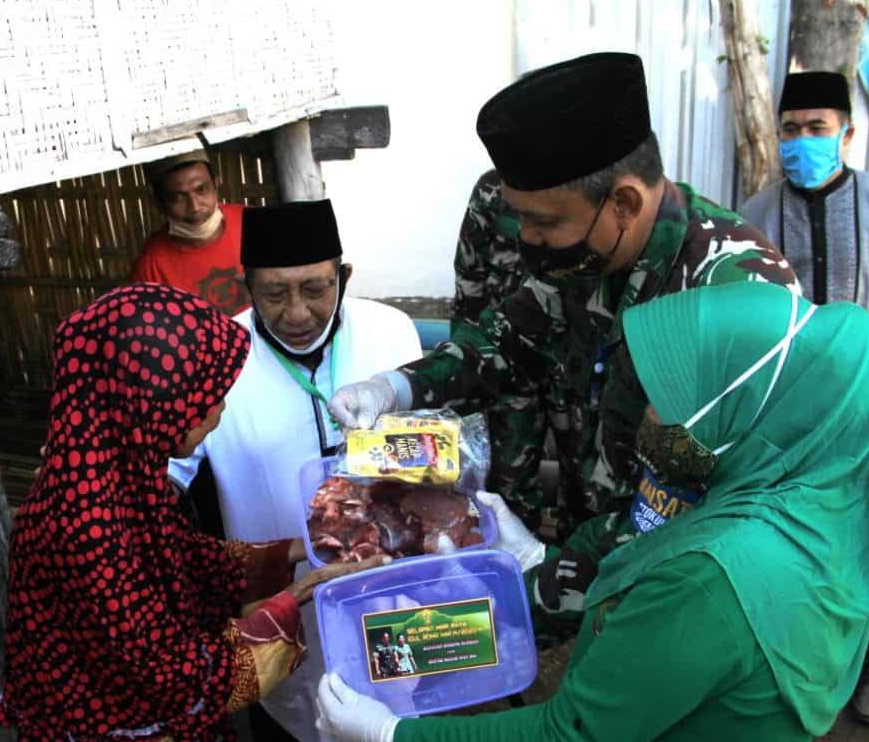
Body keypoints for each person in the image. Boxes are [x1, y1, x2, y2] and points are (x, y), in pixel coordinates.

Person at [317, 281, 869, 742]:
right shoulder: (812, 519)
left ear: (750, 412)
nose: (647, 414)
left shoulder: (712, 577)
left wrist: (393, 734)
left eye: (675, 395)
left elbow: (572, 735)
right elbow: (668, 645)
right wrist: (539, 564)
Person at [330, 52, 799, 638]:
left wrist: (539, 585)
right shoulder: (589, 252)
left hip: (683, 591)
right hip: (594, 522)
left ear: (623, 203)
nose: (528, 239)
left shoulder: (736, 294)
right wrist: (398, 386)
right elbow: (506, 341)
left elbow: (689, 511)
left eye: (545, 222)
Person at [0, 283, 383, 742]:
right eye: (205, 397)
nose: (219, 411)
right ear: (147, 403)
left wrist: (298, 550)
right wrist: (288, 605)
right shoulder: (87, 526)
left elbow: (180, 558)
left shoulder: (109, 473)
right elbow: (173, 673)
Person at [170, 199, 423, 742]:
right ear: (245, 286)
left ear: (345, 275)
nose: (298, 312)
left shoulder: (391, 332)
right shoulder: (218, 354)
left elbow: (428, 453)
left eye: (316, 288)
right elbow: (167, 470)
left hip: (387, 598)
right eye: (274, 294)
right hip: (279, 611)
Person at [740, 70, 869, 726]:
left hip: (866, 402)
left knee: (864, 530)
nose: (802, 142)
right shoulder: (756, 216)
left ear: (847, 134)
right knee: (789, 532)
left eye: (816, 128)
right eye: (790, 130)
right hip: (788, 408)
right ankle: (795, 661)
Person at [452, 170, 582, 539]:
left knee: (582, 477)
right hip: (506, 363)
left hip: (570, 362)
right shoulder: (493, 190)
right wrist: (470, 374)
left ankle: (570, 572)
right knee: (506, 482)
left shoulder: (581, 189)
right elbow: (469, 277)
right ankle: (513, 570)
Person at [131, 150, 249, 315]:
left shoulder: (252, 223)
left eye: (201, 190)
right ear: (159, 203)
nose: (194, 207)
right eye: (178, 197)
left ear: (216, 183)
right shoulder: (152, 266)